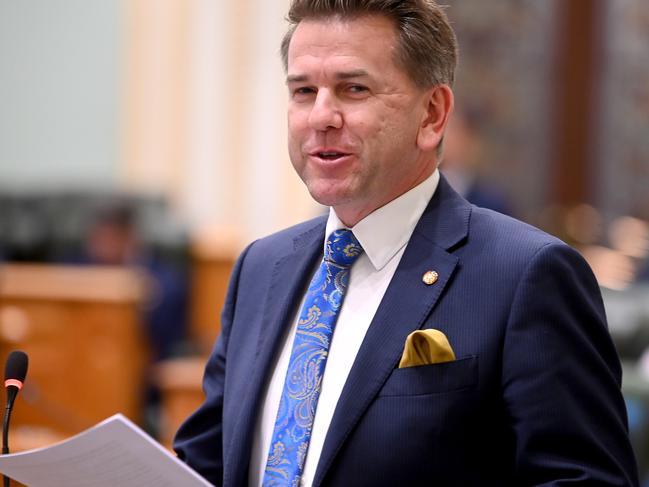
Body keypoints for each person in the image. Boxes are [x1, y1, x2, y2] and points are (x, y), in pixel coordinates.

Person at [174, 1, 639, 485]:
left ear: (433, 115)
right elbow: (205, 464)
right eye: (303, 91)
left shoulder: (525, 274)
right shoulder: (261, 266)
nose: (321, 116)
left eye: (354, 89)